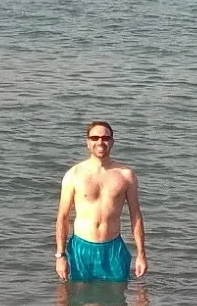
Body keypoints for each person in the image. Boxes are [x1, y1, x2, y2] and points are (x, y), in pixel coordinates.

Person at [55, 121, 147, 282]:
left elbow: (136, 216)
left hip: (113, 249)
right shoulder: (74, 174)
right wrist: (60, 255)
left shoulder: (126, 175)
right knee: (75, 302)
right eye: (95, 137)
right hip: (80, 250)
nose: (100, 142)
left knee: (117, 301)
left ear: (112, 142)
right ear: (88, 142)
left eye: (105, 138)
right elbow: (62, 217)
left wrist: (141, 255)